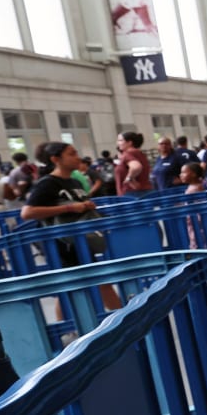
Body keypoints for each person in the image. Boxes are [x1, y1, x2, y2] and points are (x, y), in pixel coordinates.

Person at [21, 142, 123, 318]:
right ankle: (68, 331)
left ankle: (124, 319)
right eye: (71, 154)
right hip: (62, 244)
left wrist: (86, 206)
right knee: (70, 288)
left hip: (80, 241)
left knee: (100, 282)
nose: (77, 157)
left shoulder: (74, 181)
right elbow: (27, 212)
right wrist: (69, 209)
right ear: (56, 159)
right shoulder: (48, 184)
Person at [114, 131, 153, 197]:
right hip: (146, 191)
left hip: (132, 194)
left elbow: (136, 167)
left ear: (129, 142)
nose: (118, 143)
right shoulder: (139, 153)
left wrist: (129, 179)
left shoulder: (127, 154)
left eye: (120, 140)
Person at [180, 162, 206, 249]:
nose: (181, 175)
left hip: (195, 223)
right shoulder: (197, 186)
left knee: (197, 243)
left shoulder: (193, 189)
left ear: (194, 174)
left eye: (184, 172)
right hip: (197, 223)